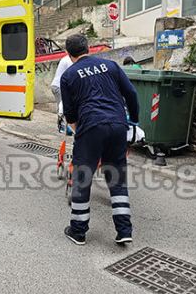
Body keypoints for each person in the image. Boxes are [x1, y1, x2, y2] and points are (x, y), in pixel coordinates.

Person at [60, 34, 139, 246]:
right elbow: (131, 93)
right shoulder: (111, 66)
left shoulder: (68, 76)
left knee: (82, 177)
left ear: (69, 54)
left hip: (91, 126)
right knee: (116, 178)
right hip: (117, 125)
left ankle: (78, 231)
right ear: (88, 48)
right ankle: (124, 230)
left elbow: (70, 114)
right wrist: (134, 122)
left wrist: (81, 132)